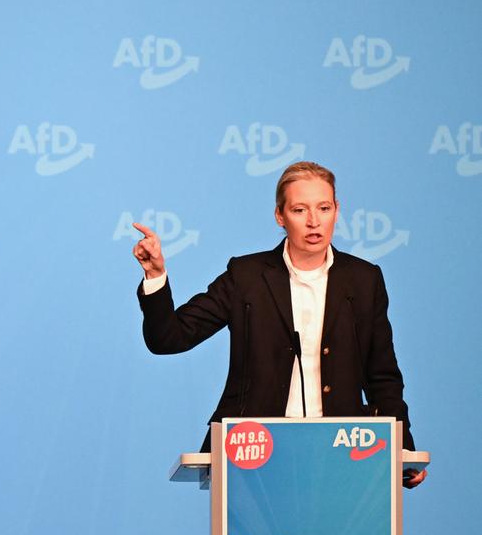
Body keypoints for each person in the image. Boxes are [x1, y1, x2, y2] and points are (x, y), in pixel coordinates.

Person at [133, 162, 426, 489]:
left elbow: (382, 375)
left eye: (324, 208)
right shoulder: (246, 277)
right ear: (280, 216)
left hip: (342, 454)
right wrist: (156, 275)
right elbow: (169, 338)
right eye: (300, 209)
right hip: (254, 453)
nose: (314, 221)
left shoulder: (364, 280)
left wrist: (404, 450)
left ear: (337, 210)